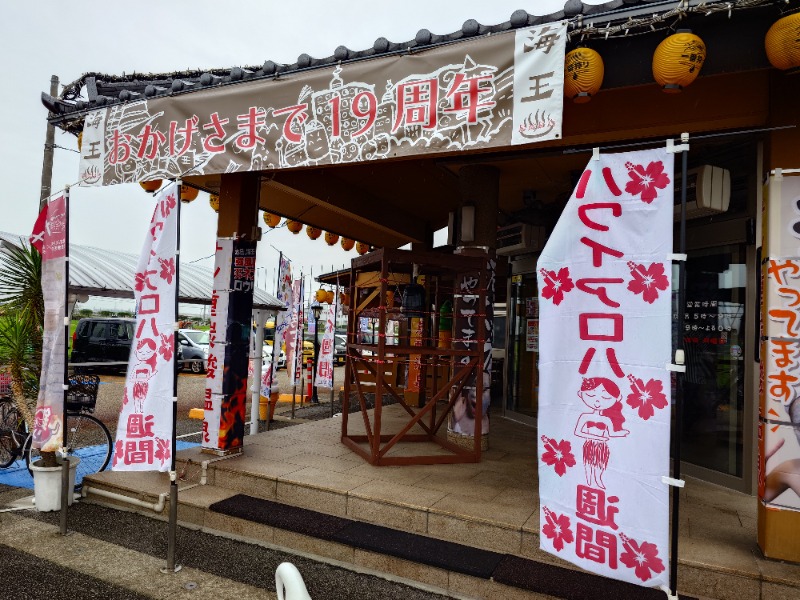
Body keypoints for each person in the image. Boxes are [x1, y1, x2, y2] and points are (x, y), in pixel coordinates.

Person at [574, 377, 629, 489]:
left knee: (600, 465)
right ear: (581, 394)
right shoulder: (585, 416)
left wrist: (622, 433)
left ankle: (598, 480)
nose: (598, 401)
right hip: (590, 444)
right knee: (588, 464)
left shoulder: (606, 419)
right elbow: (578, 432)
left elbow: (611, 434)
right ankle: (589, 483)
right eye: (590, 395)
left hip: (602, 446)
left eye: (606, 397)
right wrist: (595, 437)